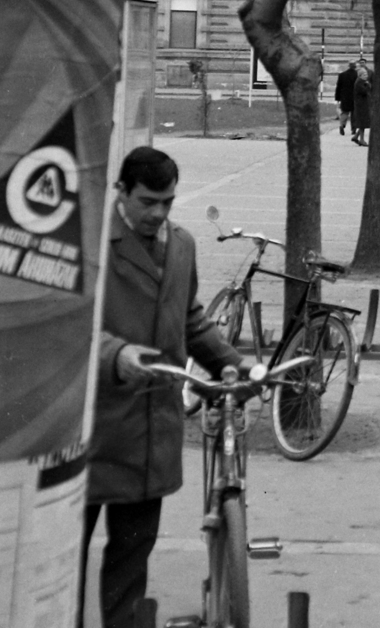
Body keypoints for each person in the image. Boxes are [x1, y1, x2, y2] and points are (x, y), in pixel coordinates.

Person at [83, 147, 243, 628]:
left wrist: (232, 365)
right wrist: (116, 354)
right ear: (122, 192)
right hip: (90, 433)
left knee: (131, 564)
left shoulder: (182, 246)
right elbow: (65, 326)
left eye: (167, 202)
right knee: (63, 565)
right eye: (148, 201)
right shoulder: (88, 244)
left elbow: (189, 317)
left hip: (151, 433)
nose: (158, 213)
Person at [350, 58, 372, 146]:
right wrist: (368, 86)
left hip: (363, 104)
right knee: (363, 122)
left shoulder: (362, 81)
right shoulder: (359, 82)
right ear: (360, 75)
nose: (366, 75)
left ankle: (357, 136)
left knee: (363, 122)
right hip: (361, 105)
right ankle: (361, 139)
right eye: (364, 74)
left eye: (366, 74)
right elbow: (364, 92)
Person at [334, 59, 357, 136]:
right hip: (354, 96)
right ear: (355, 66)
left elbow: (338, 87)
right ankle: (354, 128)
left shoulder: (342, 75)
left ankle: (342, 125)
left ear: (349, 66)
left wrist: (337, 97)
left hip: (345, 97)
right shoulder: (357, 75)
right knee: (354, 113)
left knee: (344, 112)